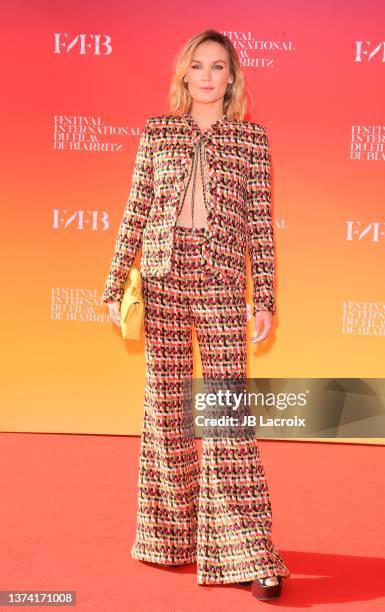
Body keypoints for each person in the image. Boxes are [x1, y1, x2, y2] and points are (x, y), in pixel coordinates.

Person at [102, 29, 290, 601]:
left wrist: (267, 299)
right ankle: (170, 537)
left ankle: (250, 552)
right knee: (166, 409)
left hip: (222, 279)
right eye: (198, 66)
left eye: (219, 67)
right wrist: (114, 284)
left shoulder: (252, 140)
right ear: (184, 75)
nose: (208, 76)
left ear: (232, 77)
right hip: (161, 276)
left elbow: (260, 223)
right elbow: (135, 209)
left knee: (225, 414)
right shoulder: (157, 134)